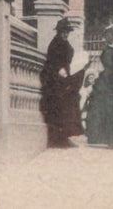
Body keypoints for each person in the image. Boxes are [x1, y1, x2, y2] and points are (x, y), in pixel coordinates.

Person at [39, 18, 90, 148]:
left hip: (64, 77)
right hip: (55, 80)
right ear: (58, 31)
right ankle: (57, 139)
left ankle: (65, 137)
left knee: (68, 106)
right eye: (63, 31)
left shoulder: (64, 43)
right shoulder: (55, 44)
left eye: (67, 31)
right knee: (58, 108)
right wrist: (59, 71)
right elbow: (51, 63)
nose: (65, 34)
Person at [84, 25, 113, 149]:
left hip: (111, 84)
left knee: (111, 112)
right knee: (110, 112)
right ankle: (112, 141)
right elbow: (111, 70)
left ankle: (109, 139)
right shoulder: (108, 52)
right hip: (108, 86)